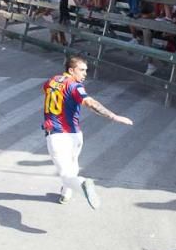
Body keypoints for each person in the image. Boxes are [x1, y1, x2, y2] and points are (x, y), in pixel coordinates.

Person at [42, 56, 133, 208]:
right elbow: (90, 103)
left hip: (56, 135)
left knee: (66, 173)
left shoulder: (52, 80)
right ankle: (66, 194)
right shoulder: (75, 86)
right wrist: (114, 116)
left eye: (86, 70)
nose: (85, 74)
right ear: (71, 70)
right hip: (74, 135)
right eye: (82, 70)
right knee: (72, 165)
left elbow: (47, 90)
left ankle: (82, 184)